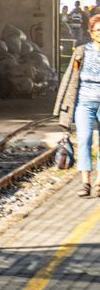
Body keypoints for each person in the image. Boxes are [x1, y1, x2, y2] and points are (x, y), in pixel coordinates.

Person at [55, 14, 100, 196]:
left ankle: (99, 183)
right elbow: (71, 78)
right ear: (91, 33)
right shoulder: (81, 52)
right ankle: (85, 182)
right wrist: (63, 106)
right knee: (84, 140)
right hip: (84, 102)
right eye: (97, 31)